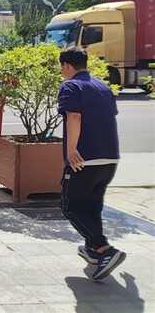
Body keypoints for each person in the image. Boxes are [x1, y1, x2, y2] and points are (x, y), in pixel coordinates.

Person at [57, 46, 124, 280]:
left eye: (62, 68)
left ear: (66, 66)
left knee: (70, 206)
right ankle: (93, 250)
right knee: (92, 206)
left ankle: (105, 250)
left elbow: (74, 116)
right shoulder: (103, 86)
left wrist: (72, 150)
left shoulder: (71, 85)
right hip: (110, 158)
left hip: (85, 159)